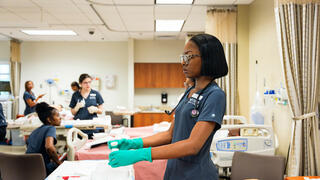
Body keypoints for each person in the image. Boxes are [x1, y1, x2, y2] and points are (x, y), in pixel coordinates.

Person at [108, 34, 228, 180]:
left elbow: (193, 145)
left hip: (196, 174)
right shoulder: (190, 91)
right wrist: (135, 143)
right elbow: (170, 135)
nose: (184, 63)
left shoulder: (215, 95)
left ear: (208, 58)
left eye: (189, 57)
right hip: (174, 171)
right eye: (182, 57)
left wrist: (142, 154)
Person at [26, 102, 62, 176]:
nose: (60, 118)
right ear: (49, 120)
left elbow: (29, 145)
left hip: (27, 167)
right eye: (58, 116)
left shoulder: (35, 131)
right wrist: (59, 163)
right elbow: (49, 147)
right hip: (41, 168)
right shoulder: (51, 128)